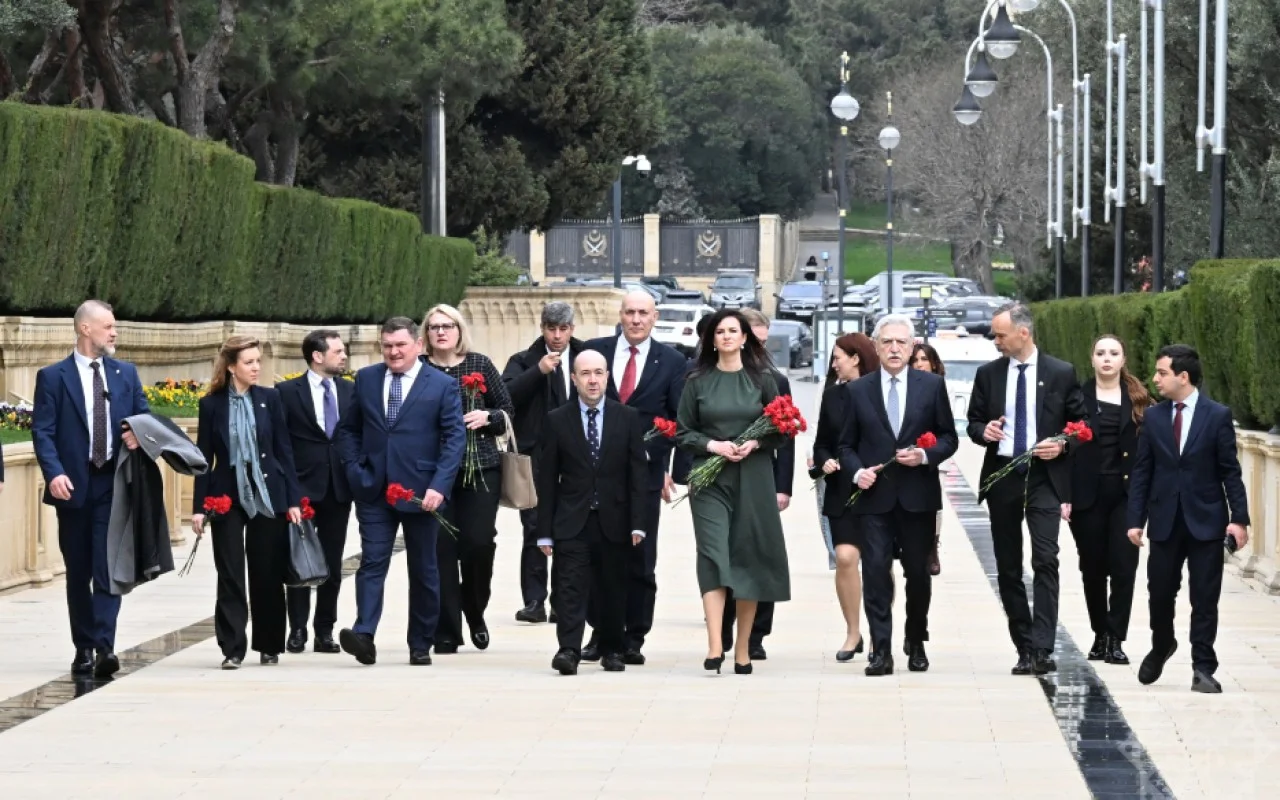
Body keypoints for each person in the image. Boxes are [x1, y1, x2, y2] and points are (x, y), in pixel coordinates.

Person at [334, 317, 465, 667]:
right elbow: (348, 430)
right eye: (387, 345)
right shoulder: (366, 378)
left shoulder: (440, 385)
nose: (393, 352)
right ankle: (364, 634)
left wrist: (439, 486)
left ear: (418, 346)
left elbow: (454, 440)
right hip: (373, 489)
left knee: (424, 568)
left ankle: (420, 642)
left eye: (400, 345)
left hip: (421, 493)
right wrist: (354, 468)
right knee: (372, 561)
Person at [966, 303, 1087, 676]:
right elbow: (972, 422)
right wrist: (983, 431)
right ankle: (1024, 644)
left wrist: (1063, 444)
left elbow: (1079, 424)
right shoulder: (988, 374)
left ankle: (1044, 645)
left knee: (1046, 558)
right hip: (1004, 473)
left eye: (1000, 335)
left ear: (1023, 333)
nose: (995, 341)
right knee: (1007, 565)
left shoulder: (1061, 372)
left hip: (1044, 477)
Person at [32, 300, 149, 678]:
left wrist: (137, 434)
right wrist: (53, 473)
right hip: (73, 487)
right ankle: (83, 646)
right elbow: (43, 431)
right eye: (108, 326)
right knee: (79, 570)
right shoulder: (53, 377)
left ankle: (104, 646)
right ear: (85, 329)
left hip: (113, 484)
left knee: (108, 567)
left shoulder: (125, 374)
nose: (114, 333)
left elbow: (144, 417)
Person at [839, 315, 958, 675]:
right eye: (887, 342)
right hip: (874, 498)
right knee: (875, 571)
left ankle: (916, 638)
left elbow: (949, 437)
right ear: (875, 347)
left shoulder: (931, 386)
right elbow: (845, 444)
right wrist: (857, 471)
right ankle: (882, 650)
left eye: (901, 343)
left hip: (917, 496)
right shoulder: (858, 390)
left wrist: (925, 455)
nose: (894, 348)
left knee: (918, 574)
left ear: (911, 347)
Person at [1127, 345, 1249, 693]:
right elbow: (1142, 472)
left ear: (1184, 377)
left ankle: (1203, 668)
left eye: (1162, 373)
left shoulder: (1217, 415)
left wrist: (1239, 520)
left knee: (1205, 597)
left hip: (1206, 521)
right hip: (1164, 520)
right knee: (1160, 593)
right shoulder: (1153, 417)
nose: (1155, 379)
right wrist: (1135, 519)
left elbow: (1230, 471)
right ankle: (1163, 642)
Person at [676, 309, 790, 675]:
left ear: (745, 338)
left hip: (753, 477)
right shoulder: (696, 381)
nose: (726, 336)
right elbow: (682, 432)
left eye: (733, 331)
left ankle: (742, 648)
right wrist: (714, 446)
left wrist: (755, 444)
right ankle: (714, 645)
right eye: (719, 331)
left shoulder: (763, 380)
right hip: (709, 479)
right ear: (711, 339)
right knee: (712, 552)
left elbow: (782, 430)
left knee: (748, 556)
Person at [582, 290, 686, 664]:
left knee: (639, 558)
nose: (636, 319)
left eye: (643, 313)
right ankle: (599, 633)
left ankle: (633, 637)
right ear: (620, 315)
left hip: (644, 476)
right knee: (597, 555)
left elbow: (676, 421)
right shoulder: (594, 352)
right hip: (595, 475)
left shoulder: (673, 361)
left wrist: (651, 459)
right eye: (630, 312)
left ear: (654, 317)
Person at [191, 336, 304, 669]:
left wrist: (294, 500)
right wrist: (199, 507)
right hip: (226, 496)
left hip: (268, 495)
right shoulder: (211, 404)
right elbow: (203, 458)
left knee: (267, 570)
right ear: (231, 367)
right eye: (249, 362)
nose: (256, 367)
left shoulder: (271, 398)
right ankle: (232, 648)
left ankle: (269, 645)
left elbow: (284, 451)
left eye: (258, 361)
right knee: (229, 572)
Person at [536, 351, 648, 675]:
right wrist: (544, 530)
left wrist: (638, 523)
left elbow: (637, 475)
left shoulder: (626, 417)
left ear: (607, 376)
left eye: (598, 372)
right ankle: (568, 649)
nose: (593, 379)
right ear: (574, 379)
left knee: (613, 587)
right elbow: (547, 480)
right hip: (572, 520)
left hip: (615, 520)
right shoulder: (557, 419)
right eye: (585, 373)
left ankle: (612, 649)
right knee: (570, 587)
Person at [421, 304, 514, 654]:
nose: (441, 332)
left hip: (482, 467)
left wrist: (488, 416)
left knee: (478, 543)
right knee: (441, 549)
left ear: (459, 330)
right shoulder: (421, 369)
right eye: (434, 327)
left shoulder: (479, 364)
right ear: (426, 334)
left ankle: (474, 610)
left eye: (448, 326)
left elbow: (507, 411)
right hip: (435, 472)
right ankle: (447, 630)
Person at [1065, 335, 1151, 666]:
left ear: (1123, 359)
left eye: (1114, 353)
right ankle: (1099, 634)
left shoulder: (1140, 399)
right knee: (1093, 568)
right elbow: (1065, 449)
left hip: (1127, 496)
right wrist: (1065, 496)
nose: (1107, 359)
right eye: (1100, 353)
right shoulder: (1077, 398)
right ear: (1091, 359)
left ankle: (1116, 638)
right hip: (1087, 495)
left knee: (1124, 567)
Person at [502, 301, 584, 624]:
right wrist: (539, 371)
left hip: (577, 454)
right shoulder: (523, 361)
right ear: (542, 328)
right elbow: (506, 396)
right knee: (534, 527)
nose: (557, 335)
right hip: (534, 456)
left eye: (563, 329)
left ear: (572, 329)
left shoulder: (585, 357)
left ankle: (564, 601)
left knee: (570, 530)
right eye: (552, 328)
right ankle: (535, 600)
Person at [718, 307, 794, 661]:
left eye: (765, 343)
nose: (760, 351)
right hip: (721, 475)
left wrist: (783, 487)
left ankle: (757, 634)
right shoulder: (711, 375)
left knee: (760, 551)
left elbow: (787, 436)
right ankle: (724, 629)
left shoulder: (774, 380)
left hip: (760, 477)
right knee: (726, 552)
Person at [277, 329, 355, 655]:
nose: (344, 356)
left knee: (332, 564)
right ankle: (297, 630)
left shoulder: (351, 391)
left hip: (339, 489)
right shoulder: (286, 392)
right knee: (299, 560)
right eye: (337, 351)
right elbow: (280, 444)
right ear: (317, 356)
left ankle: (325, 630)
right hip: (301, 490)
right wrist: (288, 492)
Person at [810, 332, 878, 662]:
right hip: (841, 489)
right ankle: (853, 631)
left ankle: (881, 630)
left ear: (856, 358)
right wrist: (823, 459)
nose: (833, 362)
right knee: (846, 558)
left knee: (879, 563)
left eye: (838, 356)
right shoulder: (834, 396)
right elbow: (821, 441)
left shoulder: (883, 390)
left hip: (880, 488)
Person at [910, 342, 947, 576]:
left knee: (934, 506)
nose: (919, 364)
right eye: (915, 360)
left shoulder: (940, 387)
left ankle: (933, 544)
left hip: (931, 457)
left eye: (924, 359)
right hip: (907, 453)